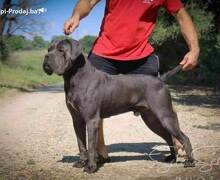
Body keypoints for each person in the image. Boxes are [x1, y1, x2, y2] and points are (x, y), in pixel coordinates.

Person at [63, 0, 200, 163]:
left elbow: (181, 15)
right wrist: (76, 15)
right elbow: (88, 2)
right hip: (104, 53)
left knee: (157, 104)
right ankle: (99, 152)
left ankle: (177, 143)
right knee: (92, 106)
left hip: (141, 55)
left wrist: (194, 48)